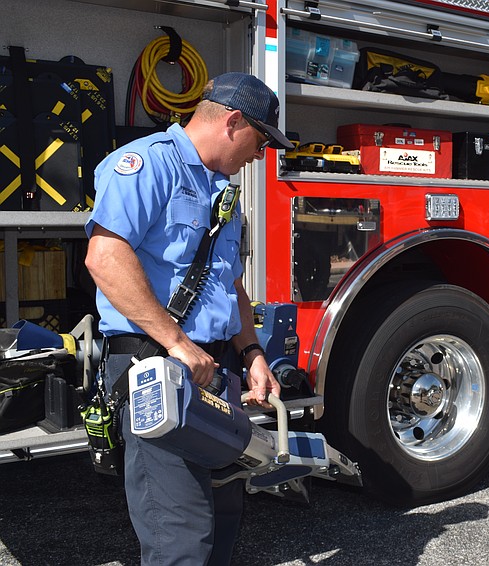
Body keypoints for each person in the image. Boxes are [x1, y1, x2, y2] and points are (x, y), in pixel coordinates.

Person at [84, 72, 292, 565]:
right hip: (159, 369)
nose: (260, 156)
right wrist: (177, 342)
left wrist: (253, 351)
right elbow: (105, 257)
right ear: (234, 122)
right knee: (180, 534)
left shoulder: (220, 188)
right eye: (261, 142)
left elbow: (228, 283)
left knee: (223, 513)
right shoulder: (146, 165)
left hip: (213, 372)